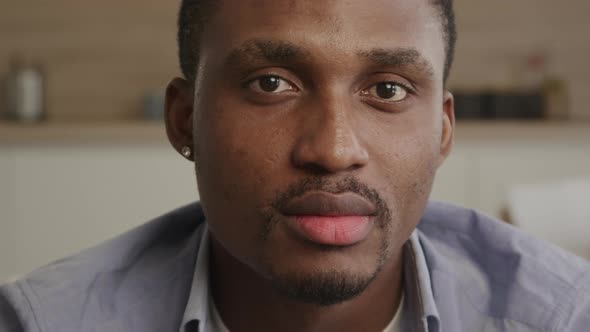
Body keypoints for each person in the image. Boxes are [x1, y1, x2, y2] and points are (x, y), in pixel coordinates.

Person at [1, 0, 589, 331]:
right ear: (184, 121)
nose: (333, 150)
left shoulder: (562, 318)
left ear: (441, 130)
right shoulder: (46, 323)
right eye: (271, 83)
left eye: (387, 90)